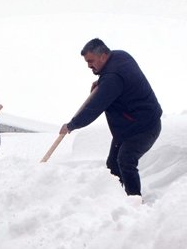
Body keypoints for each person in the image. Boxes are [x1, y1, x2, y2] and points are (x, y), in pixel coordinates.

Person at [59, 39, 163, 197]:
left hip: (144, 128)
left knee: (126, 160)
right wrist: (102, 81)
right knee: (113, 165)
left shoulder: (113, 77)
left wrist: (72, 125)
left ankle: (134, 202)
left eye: (91, 61)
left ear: (103, 56)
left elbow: (94, 108)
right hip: (129, 127)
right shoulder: (120, 56)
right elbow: (116, 78)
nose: (88, 65)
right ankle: (115, 199)